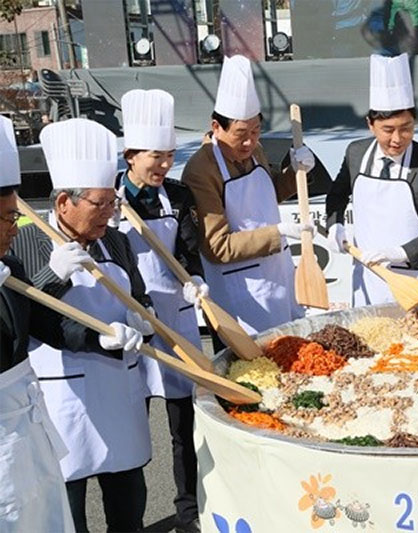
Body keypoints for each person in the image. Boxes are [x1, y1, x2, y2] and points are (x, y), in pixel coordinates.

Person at [12, 118, 155, 533]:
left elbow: (140, 296)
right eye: (99, 204)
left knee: (129, 502)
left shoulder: (117, 241)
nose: (109, 215)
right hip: (63, 397)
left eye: (113, 203)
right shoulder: (25, 241)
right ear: (63, 203)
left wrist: (139, 321)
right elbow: (27, 318)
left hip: (120, 393)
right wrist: (50, 276)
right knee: (68, 509)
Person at [116, 89, 204, 533]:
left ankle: (188, 513)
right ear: (130, 154)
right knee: (130, 428)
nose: (165, 165)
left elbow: (190, 250)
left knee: (182, 427)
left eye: (170, 155)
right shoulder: (108, 200)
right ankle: (129, 520)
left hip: (177, 319)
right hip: (126, 325)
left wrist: (195, 279)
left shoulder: (178, 194)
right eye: (157, 156)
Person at [182, 55, 316, 339]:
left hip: (279, 274)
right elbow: (217, 247)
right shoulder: (200, 170)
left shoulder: (255, 151)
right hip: (240, 291)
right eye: (241, 134)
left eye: (256, 131)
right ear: (216, 127)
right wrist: (277, 232)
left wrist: (295, 171)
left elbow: (267, 195)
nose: (249, 142)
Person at [325, 53, 418, 305]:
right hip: (369, 283)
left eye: (406, 128)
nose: (397, 139)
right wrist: (334, 224)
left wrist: (399, 253)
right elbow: (337, 194)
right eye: (388, 130)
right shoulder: (355, 154)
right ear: (370, 124)